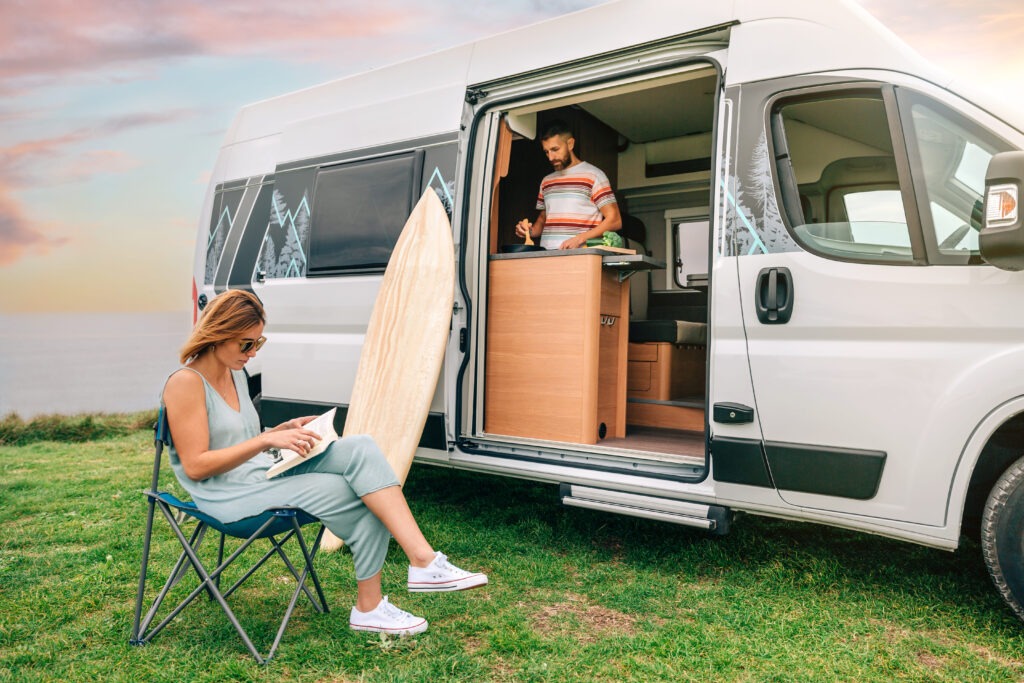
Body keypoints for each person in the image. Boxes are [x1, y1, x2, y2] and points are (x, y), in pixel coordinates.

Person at [161, 289, 486, 636]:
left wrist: (280, 430)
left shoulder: (235, 374)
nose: (253, 353)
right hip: (225, 496)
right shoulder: (185, 383)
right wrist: (265, 440)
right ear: (218, 333)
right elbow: (196, 466)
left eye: (259, 343)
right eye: (246, 344)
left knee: (361, 449)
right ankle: (370, 607)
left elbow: (237, 440)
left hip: (258, 474)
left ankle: (423, 561)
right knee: (351, 489)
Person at [516, 119, 622, 250]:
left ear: (570, 144)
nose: (550, 157)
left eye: (555, 149)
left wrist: (580, 238)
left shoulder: (594, 175)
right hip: (545, 256)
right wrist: (527, 231)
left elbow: (615, 220)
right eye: (546, 152)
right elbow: (543, 220)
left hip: (580, 256)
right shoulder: (546, 181)